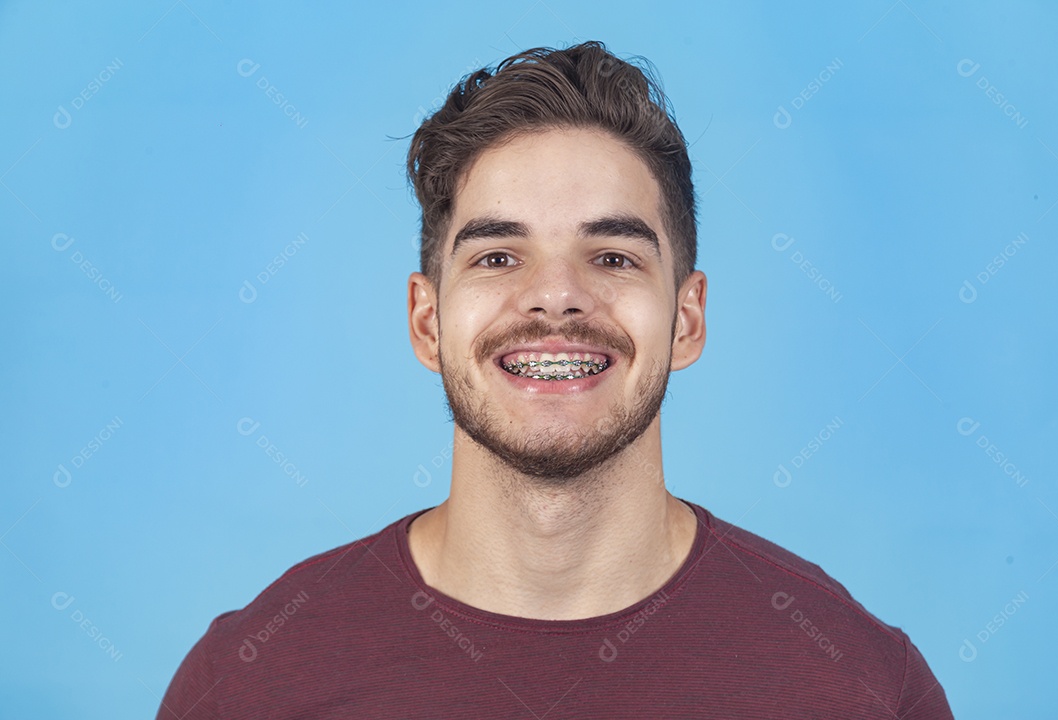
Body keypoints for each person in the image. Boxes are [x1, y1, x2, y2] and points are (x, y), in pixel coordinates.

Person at [156, 41, 953, 718]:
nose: (556, 295)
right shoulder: (250, 682)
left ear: (686, 320)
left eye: (613, 256)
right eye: (499, 256)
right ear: (427, 321)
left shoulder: (858, 683)